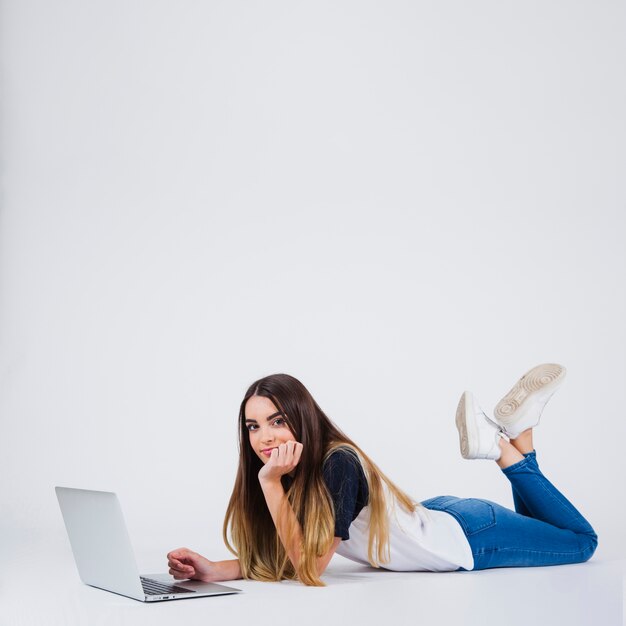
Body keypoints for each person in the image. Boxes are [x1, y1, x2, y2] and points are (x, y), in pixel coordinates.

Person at [167, 364, 598, 587]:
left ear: (301, 417)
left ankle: (498, 447)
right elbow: (286, 553)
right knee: (548, 530)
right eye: (254, 426)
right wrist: (214, 570)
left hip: (470, 538)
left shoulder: (338, 463)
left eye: (277, 421)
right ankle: (521, 433)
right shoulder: (293, 472)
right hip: (440, 515)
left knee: (581, 542)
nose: (264, 437)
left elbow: (309, 568)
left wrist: (269, 483)